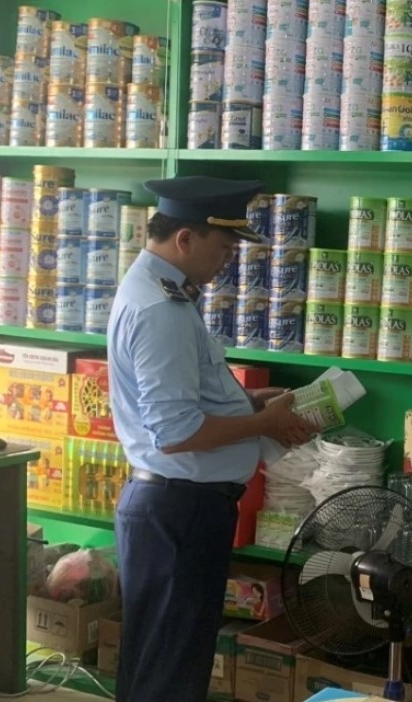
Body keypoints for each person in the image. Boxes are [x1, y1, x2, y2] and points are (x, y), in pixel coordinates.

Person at [107, 176, 317, 701]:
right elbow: (176, 432)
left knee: (160, 662)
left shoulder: (161, 293)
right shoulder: (161, 311)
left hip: (175, 508)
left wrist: (249, 403)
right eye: (224, 247)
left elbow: (182, 400)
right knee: (171, 673)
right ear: (185, 239)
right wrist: (263, 425)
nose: (229, 259)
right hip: (181, 511)